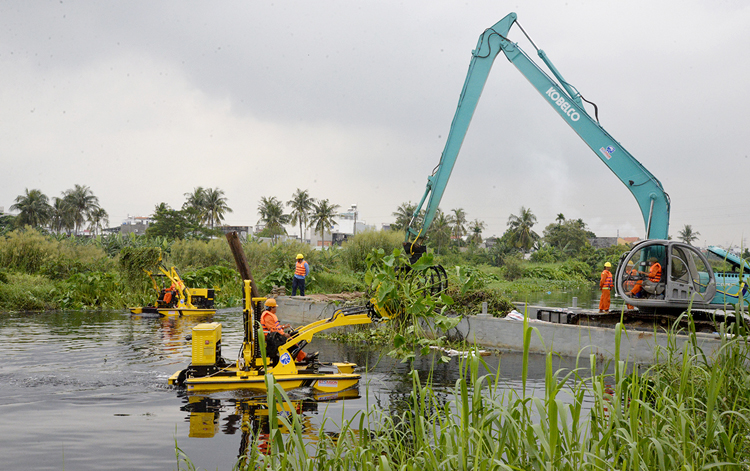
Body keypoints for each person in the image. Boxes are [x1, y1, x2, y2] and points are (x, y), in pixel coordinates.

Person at [260, 298, 317, 363]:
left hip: (273, 336)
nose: (276, 308)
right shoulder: (268, 316)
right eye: (275, 307)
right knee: (290, 341)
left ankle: (302, 355)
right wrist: (284, 334)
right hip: (271, 338)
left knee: (292, 339)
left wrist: (284, 327)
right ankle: (303, 356)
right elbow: (272, 329)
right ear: (271, 308)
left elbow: (276, 327)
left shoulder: (270, 315)